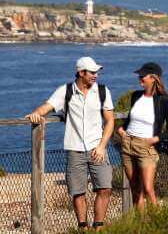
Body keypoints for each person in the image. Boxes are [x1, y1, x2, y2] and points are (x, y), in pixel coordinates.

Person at [25, 56, 114, 231]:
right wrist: (36, 113)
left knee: (105, 188)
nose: (96, 75)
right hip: (74, 149)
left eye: (97, 72)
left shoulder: (103, 91)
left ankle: (99, 226)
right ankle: (83, 227)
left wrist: (102, 146)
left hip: (98, 148)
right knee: (78, 192)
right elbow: (46, 107)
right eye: (92, 72)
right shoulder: (65, 91)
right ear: (81, 73)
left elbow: (110, 121)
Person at [117, 62, 168, 210]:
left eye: (143, 76)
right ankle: (141, 225)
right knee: (135, 189)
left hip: (146, 147)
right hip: (128, 144)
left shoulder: (164, 100)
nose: (140, 78)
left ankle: (158, 224)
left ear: (153, 78)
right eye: (140, 75)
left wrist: (156, 139)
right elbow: (131, 119)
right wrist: (121, 129)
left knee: (149, 189)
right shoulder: (136, 96)